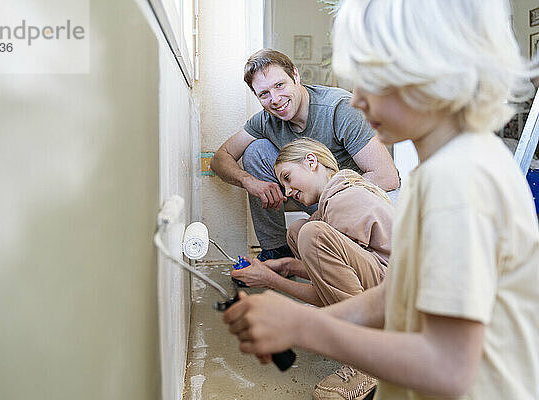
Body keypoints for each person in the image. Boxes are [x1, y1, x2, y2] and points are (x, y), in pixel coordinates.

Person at [223, 0, 539, 399]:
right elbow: (398, 294)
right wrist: (295, 319)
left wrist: (306, 327)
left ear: (428, 70)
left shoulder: (460, 182)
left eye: (371, 77)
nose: (356, 99)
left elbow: (449, 366)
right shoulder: (441, 171)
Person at [210, 49, 399, 262]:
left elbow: (387, 177)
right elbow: (220, 158)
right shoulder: (265, 121)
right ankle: (276, 250)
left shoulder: (338, 108)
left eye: (279, 85)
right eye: (264, 94)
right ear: (256, 96)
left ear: (296, 76)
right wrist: (248, 181)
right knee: (255, 151)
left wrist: (328, 207)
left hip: (365, 197)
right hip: (322, 201)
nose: (275, 99)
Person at [231, 138, 393, 307]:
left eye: (287, 177)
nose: (287, 191)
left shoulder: (344, 200)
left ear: (311, 161)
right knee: (297, 230)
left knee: (312, 234)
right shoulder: (332, 201)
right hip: (383, 282)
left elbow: (350, 301)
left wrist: (270, 279)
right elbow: (337, 282)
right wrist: (286, 266)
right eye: (283, 185)